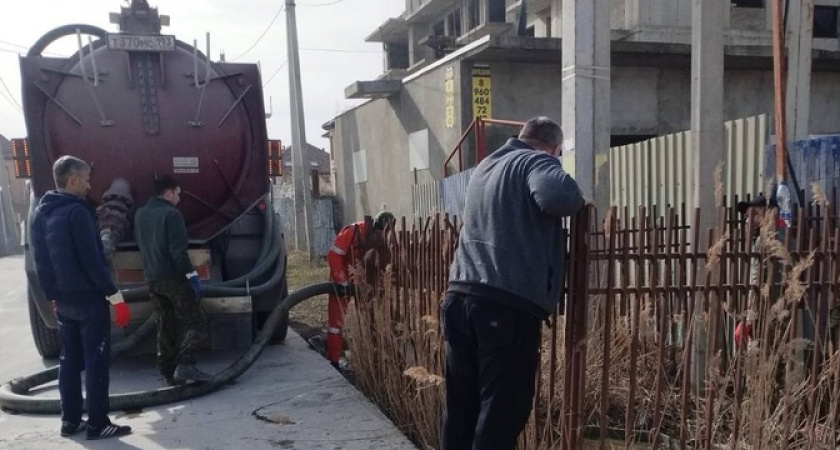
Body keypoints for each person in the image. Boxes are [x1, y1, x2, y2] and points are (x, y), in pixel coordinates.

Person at [442, 116, 584, 450]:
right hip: (504, 304)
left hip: (460, 297)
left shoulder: (486, 166)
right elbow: (558, 197)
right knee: (503, 410)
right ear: (555, 149)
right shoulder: (536, 161)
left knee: (461, 406)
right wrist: (578, 195)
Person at [30, 155, 133, 440]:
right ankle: (98, 424)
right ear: (74, 179)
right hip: (89, 302)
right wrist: (115, 296)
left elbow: (41, 261)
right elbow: (92, 260)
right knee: (96, 360)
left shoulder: (42, 212)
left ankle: (70, 420)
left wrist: (52, 295)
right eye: (86, 179)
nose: (89, 186)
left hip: (64, 303)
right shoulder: (78, 213)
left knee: (69, 361)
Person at [134, 174, 211, 385]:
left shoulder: (140, 214)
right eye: (177, 194)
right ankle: (185, 365)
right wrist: (192, 277)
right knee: (197, 321)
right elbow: (178, 252)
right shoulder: (171, 215)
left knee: (165, 323)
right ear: (168, 193)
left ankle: (167, 370)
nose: (179, 198)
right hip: (173, 278)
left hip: (152, 278)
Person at [324, 210, 395, 369]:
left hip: (362, 284)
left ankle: (368, 360)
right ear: (374, 227)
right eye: (379, 232)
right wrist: (341, 280)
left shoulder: (384, 239)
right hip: (340, 282)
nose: (381, 236)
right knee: (336, 323)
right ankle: (333, 360)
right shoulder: (353, 230)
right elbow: (333, 255)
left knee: (368, 320)